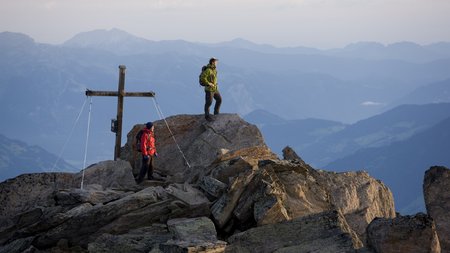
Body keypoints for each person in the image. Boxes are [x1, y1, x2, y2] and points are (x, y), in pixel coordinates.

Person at [200, 57, 222, 121]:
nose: (217, 63)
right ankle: (207, 116)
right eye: (216, 62)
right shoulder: (208, 70)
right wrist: (209, 83)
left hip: (214, 89)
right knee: (209, 103)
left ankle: (216, 114)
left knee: (219, 100)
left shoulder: (214, 69)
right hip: (209, 90)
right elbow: (203, 78)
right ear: (213, 62)